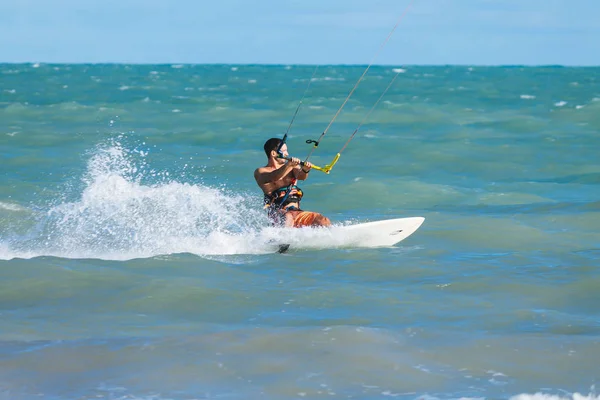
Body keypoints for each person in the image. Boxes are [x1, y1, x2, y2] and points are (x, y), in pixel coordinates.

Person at [254, 138, 331, 228]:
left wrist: (305, 170)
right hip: (277, 214)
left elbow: (302, 177)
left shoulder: (292, 167)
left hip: (296, 212)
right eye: (284, 151)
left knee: (322, 220)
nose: (287, 154)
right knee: (287, 217)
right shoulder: (261, 172)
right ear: (273, 153)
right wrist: (288, 165)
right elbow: (275, 177)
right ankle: (282, 241)